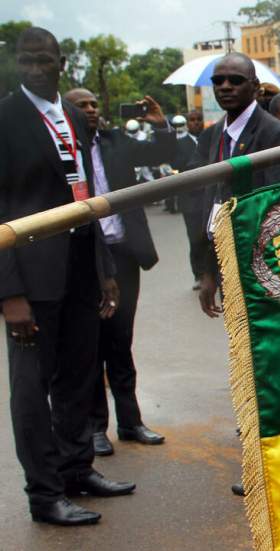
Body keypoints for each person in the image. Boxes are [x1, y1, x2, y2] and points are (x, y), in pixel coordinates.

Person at [0, 26, 134, 527]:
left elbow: (87, 196)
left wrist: (103, 271)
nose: (34, 68)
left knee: (80, 375)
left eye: (43, 60)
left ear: (61, 61)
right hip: (30, 276)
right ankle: (45, 492)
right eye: (24, 60)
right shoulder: (5, 117)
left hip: (80, 264)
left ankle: (78, 469)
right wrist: (8, 293)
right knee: (33, 388)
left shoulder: (75, 117)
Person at [189, 52, 280, 498]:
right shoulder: (212, 138)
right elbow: (203, 205)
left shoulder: (274, 134)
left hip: (265, 273)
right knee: (244, 365)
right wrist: (207, 274)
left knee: (270, 366)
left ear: (255, 86)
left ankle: (270, 464)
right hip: (227, 269)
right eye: (220, 80)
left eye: (236, 79)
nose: (226, 86)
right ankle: (258, 452)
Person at [64, 88, 175, 457]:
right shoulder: (62, 150)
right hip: (85, 259)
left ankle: (130, 421)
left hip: (123, 255)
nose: (91, 109)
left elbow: (162, 155)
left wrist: (159, 126)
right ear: (66, 110)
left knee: (121, 340)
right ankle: (97, 427)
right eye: (82, 105)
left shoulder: (115, 141)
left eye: (95, 103)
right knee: (91, 343)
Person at [172, 112, 208, 290]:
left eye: (198, 120)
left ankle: (215, 273)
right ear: (187, 123)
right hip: (190, 199)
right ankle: (199, 274)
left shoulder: (209, 139)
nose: (196, 123)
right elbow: (175, 164)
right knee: (195, 238)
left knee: (213, 237)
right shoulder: (180, 143)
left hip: (210, 195)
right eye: (192, 120)